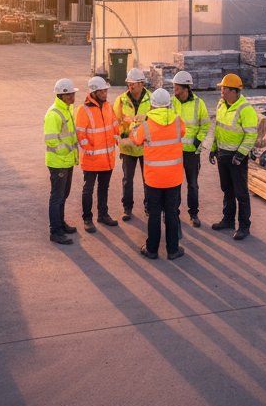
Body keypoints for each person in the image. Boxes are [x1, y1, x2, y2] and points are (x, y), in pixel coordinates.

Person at [129, 88, 185, 261]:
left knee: (154, 214)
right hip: (174, 178)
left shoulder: (146, 125)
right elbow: (182, 133)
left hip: (154, 179)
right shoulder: (178, 122)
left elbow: (135, 139)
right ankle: (173, 250)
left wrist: (134, 126)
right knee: (171, 213)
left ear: (152, 106)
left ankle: (152, 249)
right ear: (169, 104)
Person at [209, 73, 258, 241]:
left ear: (234, 91)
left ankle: (244, 226)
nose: (221, 91)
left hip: (236, 157)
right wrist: (213, 148)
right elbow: (218, 128)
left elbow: (251, 135)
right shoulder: (221, 105)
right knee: (227, 190)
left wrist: (240, 154)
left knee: (241, 193)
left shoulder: (246, 109)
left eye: (224, 89)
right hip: (222, 154)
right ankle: (228, 220)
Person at [75, 75, 120, 232]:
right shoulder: (83, 110)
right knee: (88, 189)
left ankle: (103, 214)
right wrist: (90, 150)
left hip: (107, 158)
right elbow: (81, 134)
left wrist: (119, 138)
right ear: (93, 92)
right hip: (92, 160)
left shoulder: (108, 106)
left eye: (105, 91)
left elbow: (114, 125)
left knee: (104, 188)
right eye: (102, 91)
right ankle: (87, 218)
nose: (105, 94)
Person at [171, 71, 210, 227]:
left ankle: (193, 214)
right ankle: (174, 213)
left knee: (192, 184)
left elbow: (205, 124)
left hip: (192, 153)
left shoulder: (198, 103)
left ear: (185, 88)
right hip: (175, 151)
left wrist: (197, 140)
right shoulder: (171, 102)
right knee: (175, 184)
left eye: (177, 87)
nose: (174, 90)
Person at [113, 67, 151, 221]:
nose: (131, 86)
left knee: (148, 179)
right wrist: (121, 138)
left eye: (134, 83)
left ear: (142, 83)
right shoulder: (121, 100)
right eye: (129, 83)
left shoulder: (151, 98)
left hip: (145, 147)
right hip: (128, 147)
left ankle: (149, 207)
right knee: (127, 180)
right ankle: (127, 208)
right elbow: (116, 122)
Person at [44, 78, 79, 245]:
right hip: (58, 162)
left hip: (67, 161)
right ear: (63, 95)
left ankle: (61, 223)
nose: (73, 96)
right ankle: (55, 231)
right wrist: (65, 149)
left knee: (63, 195)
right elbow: (50, 140)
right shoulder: (54, 113)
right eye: (71, 94)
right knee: (57, 197)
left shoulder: (67, 109)